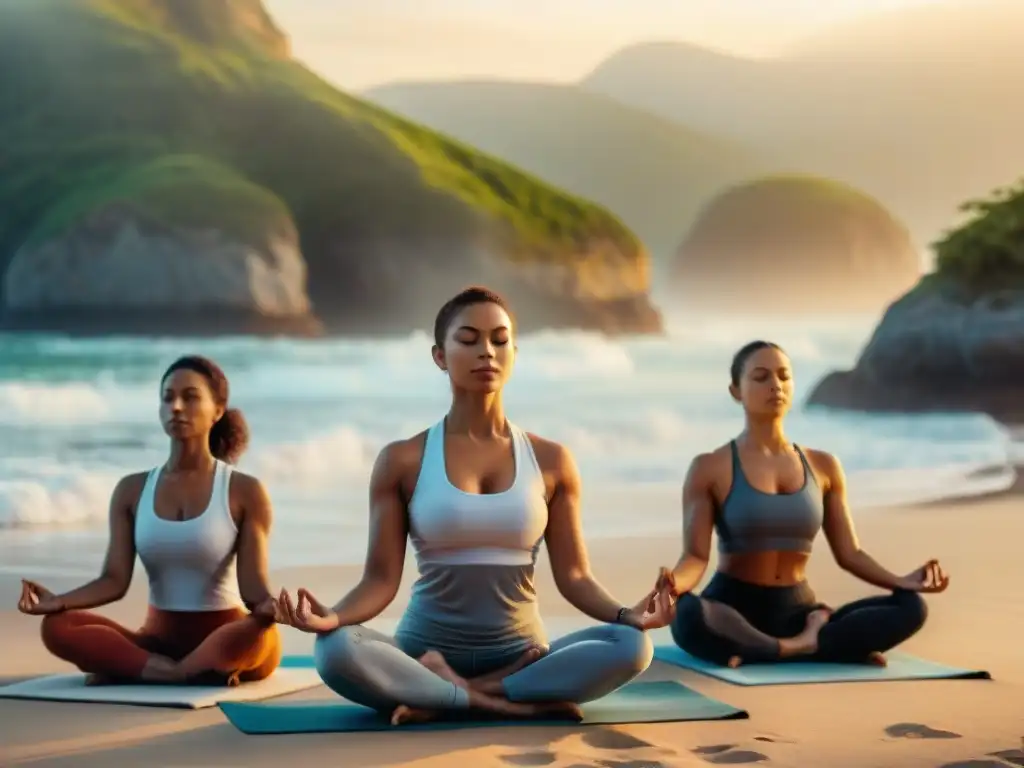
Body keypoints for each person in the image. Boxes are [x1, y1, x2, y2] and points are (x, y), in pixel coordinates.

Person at [277, 286, 670, 726]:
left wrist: (627, 614)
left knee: (634, 646)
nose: (487, 351)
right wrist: (331, 616)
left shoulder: (552, 460)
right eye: (468, 340)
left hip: (523, 653)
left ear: (514, 354)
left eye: (499, 341)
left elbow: (575, 577)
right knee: (333, 649)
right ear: (439, 356)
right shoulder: (402, 459)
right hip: (422, 651)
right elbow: (381, 580)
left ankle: (451, 694)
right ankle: (499, 702)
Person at [658, 340, 949, 669]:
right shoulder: (710, 467)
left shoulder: (824, 466)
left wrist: (901, 581)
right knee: (685, 613)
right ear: (736, 390)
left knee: (912, 608)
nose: (775, 385)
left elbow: (849, 553)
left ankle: (774, 647)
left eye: (784, 376)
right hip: (731, 609)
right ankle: (810, 646)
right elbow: (695, 557)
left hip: (799, 610)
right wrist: (674, 585)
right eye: (761, 377)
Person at [17, 355, 284, 686]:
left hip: (228, 638)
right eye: (167, 397)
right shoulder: (132, 490)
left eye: (190, 396)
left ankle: (152, 670)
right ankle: (175, 671)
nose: (175, 407)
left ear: (218, 410)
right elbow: (114, 580)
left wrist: (274, 607)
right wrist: (58, 601)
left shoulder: (244, 490)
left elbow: (253, 592)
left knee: (258, 628)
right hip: (158, 643)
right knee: (57, 626)